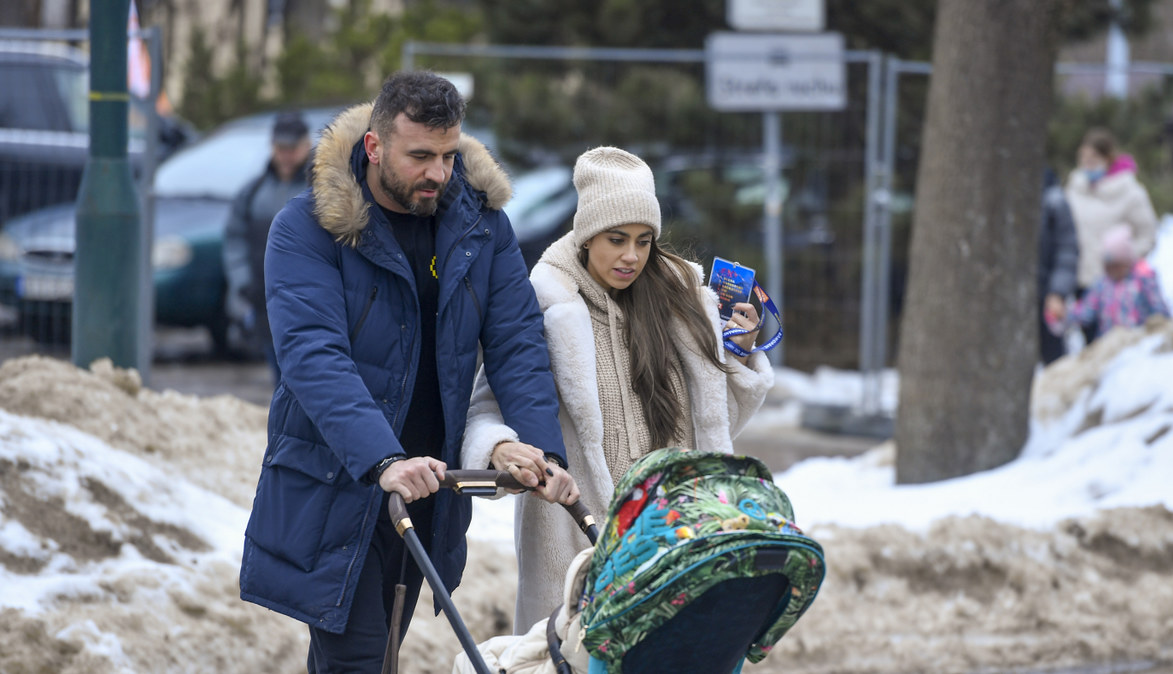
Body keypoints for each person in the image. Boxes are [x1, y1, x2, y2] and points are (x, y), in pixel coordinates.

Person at [238, 71, 578, 673]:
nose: (439, 173)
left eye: (449, 155)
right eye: (420, 155)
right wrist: (383, 460)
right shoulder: (307, 227)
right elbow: (313, 357)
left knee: (385, 646)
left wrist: (542, 449)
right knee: (359, 657)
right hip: (338, 477)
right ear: (374, 148)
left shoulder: (480, 227)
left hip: (430, 484)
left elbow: (515, 340)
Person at [461, 146, 775, 633]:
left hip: (677, 542)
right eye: (616, 239)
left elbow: (715, 428)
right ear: (587, 235)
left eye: (645, 240)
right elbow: (483, 408)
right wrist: (502, 447)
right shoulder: (545, 302)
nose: (632, 256)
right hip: (578, 551)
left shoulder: (679, 298)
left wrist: (738, 350)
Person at [223, 110, 312, 380]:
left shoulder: (322, 189)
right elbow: (234, 240)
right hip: (265, 306)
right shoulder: (252, 193)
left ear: (307, 145)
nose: (286, 154)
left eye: (292, 147)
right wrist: (242, 284)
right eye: (280, 147)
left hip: (307, 304)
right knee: (281, 380)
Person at [1064, 128, 1159, 341]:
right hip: (1082, 283)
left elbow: (1148, 233)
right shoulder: (1074, 190)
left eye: (1093, 158)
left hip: (1118, 284)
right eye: (1083, 158)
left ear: (1107, 158)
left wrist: (1125, 257)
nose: (1087, 164)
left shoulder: (1130, 192)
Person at [1055, 226, 1169, 339]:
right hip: (1110, 344)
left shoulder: (1144, 280)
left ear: (1126, 261)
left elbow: (1159, 310)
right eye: (1107, 266)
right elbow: (1086, 312)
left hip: (1140, 342)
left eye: (1115, 266)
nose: (1111, 270)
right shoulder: (1102, 285)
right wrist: (1065, 314)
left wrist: (1161, 328)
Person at [1038, 168, 1078, 364]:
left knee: (1055, 361)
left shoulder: (1054, 201)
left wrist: (1057, 292)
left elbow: (1067, 250)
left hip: (1046, 295)